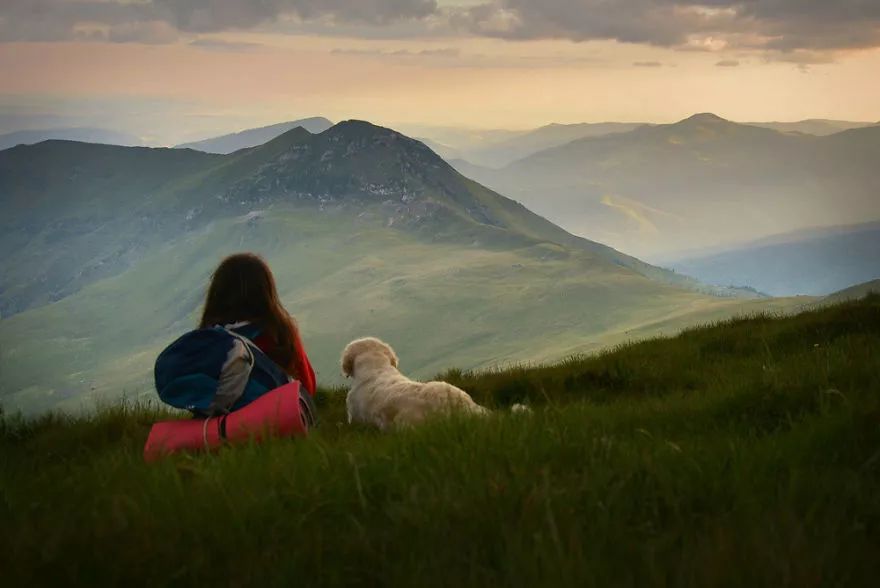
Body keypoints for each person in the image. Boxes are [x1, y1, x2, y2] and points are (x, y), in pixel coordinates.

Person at [198, 252, 317, 397]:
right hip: (281, 413)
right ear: (265, 292)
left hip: (222, 417)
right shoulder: (279, 333)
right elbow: (308, 387)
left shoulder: (207, 339)